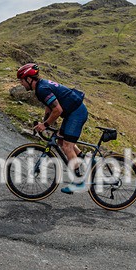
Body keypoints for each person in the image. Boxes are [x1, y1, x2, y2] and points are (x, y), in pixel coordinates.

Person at [17, 63, 89, 194]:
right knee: (61, 140)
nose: (21, 83)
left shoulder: (41, 89)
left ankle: (79, 182)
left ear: (29, 79)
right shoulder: (40, 87)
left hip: (76, 113)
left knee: (67, 146)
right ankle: (86, 160)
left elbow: (57, 110)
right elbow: (49, 106)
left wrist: (45, 125)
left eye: (21, 80)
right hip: (72, 112)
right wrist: (44, 121)